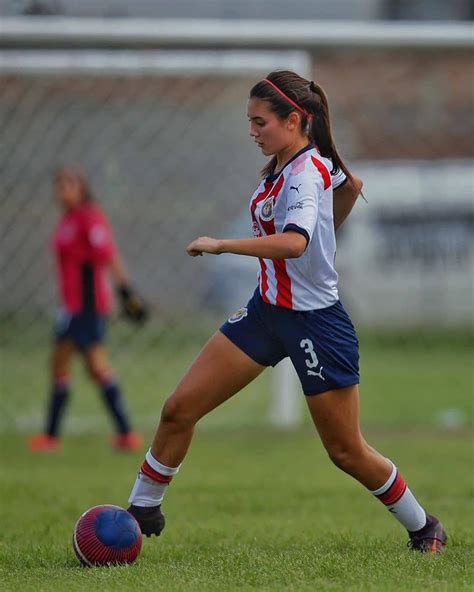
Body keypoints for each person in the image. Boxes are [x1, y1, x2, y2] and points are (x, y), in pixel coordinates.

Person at [126, 71, 447, 552]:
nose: (252, 132)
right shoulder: (292, 163)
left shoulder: (302, 172)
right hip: (265, 314)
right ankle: (140, 510)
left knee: (345, 450)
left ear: (294, 119)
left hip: (316, 323)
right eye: (249, 122)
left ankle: (425, 527)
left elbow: (296, 243)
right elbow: (351, 184)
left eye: (260, 123)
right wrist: (326, 236)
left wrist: (223, 244)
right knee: (179, 409)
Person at [28, 166, 147, 452]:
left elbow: (108, 255)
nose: (62, 191)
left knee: (84, 365)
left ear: (82, 188)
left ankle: (55, 437)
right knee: (82, 366)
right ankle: (121, 433)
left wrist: (127, 292)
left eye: (68, 185)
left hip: (87, 306)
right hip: (72, 306)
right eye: (58, 186)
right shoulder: (68, 219)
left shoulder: (89, 217)